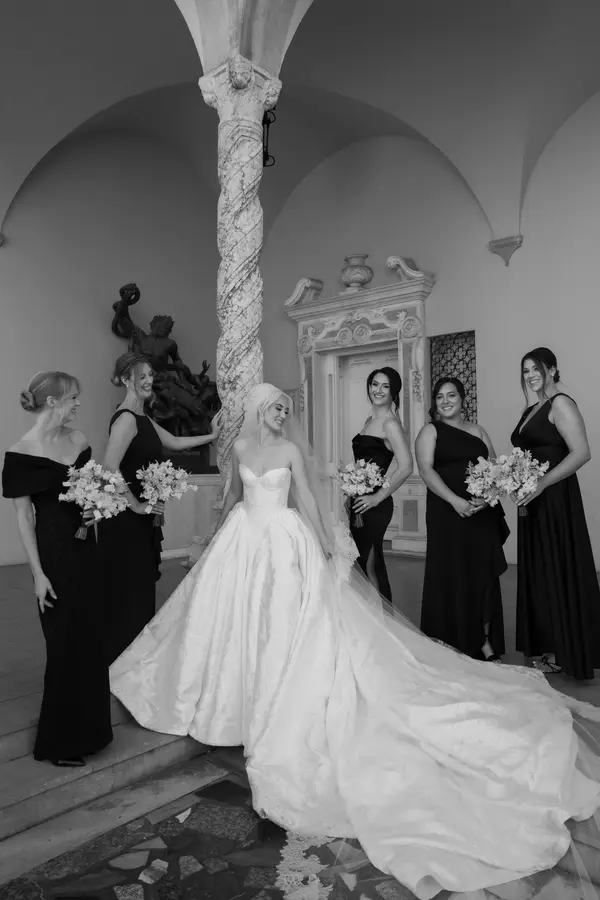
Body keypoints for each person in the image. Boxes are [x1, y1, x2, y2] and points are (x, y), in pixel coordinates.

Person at [111, 382, 600, 900]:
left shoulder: (291, 449)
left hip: (283, 540)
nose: (281, 414)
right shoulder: (241, 448)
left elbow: (305, 499)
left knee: (284, 622)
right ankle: (229, 699)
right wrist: (214, 538)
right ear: (258, 410)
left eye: (285, 409)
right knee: (232, 620)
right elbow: (233, 494)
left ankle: (276, 697)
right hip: (241, 539)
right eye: (275, 408)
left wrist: (327, 544)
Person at [2, 371, 112, 767]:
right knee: (63, 644)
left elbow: (93, 493)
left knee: (91, 638)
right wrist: (38, 574)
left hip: (86, 551)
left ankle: (93, 732)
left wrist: (96, 508)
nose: (78, 403)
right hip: (53, 557)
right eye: (73, 397)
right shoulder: (19, 454)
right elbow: (24, 518)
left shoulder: (79, 440)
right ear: (53, 402)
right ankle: (61, 743)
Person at [100, 352, 222, 664]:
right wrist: (136, 505)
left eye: (151, 375)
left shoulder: (144, 418)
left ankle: (134, 659)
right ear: (126, 380)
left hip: (142, 521)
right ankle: (121, 660)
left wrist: (213, 434)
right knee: (129, 590)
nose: (149, 381)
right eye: (142, 376)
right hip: (125, 521)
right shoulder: (126, 419)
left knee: (140, 590)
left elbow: (175, 443)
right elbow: (109, 466)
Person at [511, 347, 600, 680]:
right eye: (525, 371)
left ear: (552, 369)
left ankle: (567, 651)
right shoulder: (532, 408)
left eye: (536, 369)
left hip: (555, 499)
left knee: (558, 568)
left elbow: (581, 452)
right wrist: (515, 480)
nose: (530, 375)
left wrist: (541, 484)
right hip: (533, 500)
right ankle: (550, 647)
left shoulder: (560, 403)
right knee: (541, 573)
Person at [416, 377, 508, 661]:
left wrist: (488, 498)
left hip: (481, 514)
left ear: (462, 398)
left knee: (482, 574)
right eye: (440, 397)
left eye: (451, 395)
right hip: (447, 514)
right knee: (452, 572)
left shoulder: (478, 430)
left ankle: (484, 640)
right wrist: (455, 500)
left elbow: (495, 468)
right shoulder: (430, 431)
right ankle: (449, 637)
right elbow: (426, 471)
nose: (445, 401)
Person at [350, 367, 412, 601]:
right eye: (375, 384)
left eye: (385, 386)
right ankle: (368, 615)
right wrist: (352, 492)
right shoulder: (370, 420)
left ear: (394, 392)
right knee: (362, 562)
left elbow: (406, 466)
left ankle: (382, 618)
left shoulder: (390, 424)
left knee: (371, 562)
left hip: (375, 505)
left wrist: (377, 497)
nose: (378, 390)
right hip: (359, 503)